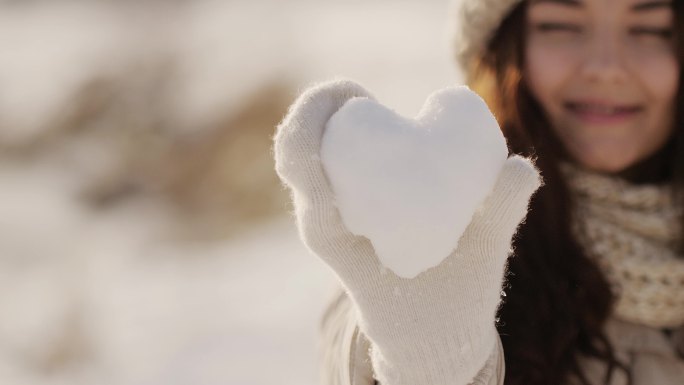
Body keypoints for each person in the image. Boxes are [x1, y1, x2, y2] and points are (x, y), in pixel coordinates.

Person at [273, 0, 684, 384]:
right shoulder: (435, 214)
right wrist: (428, 363)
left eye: (651, 29)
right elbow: (355, 338)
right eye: (560, 25)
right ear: (503, 45)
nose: (606, 67)